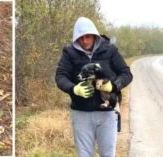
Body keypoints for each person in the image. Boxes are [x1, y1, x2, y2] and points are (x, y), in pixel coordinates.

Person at [55, 17, 133, 157]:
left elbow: (126, 74)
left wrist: (113, 86)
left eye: (88, 37)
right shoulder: (69, 52)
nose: (85, 41)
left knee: (108, 154)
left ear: (94, 35)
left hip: (107, 113)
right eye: (81, 38)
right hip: (81, 113)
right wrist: (74, 89)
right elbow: (60, 77)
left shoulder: (110, 50)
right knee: (84, 154)